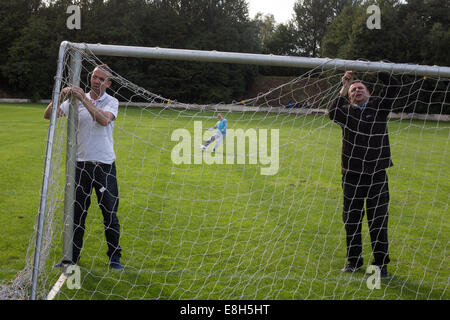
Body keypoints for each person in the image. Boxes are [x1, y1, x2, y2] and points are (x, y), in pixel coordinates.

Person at [44, 64, 123, 270]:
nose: (96, 81)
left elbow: (104, 121)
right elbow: (48, 115)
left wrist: (83, 99)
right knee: (77, 214)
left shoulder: (111, 101)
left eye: (101, 79)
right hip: (79, 166)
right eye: (94, 77)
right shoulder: (75, 100)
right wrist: (62, 96)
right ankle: (71, 257)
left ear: (108, 83)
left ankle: (114, 257)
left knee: (109, 213)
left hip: (104, 165)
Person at [328, 70, 399, 279]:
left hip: (376, 174)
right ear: (349, 96)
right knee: (351, 220)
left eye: (360, 88)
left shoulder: (379, 107)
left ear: (368, 93)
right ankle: (353, 261)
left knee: (378, 221)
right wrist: (344, 84)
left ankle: (380, 265)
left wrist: (376, 70)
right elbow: (332, 111)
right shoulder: (346, 113)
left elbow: (393, 86)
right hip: (351, 175)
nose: (357, 90)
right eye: (353, 90)